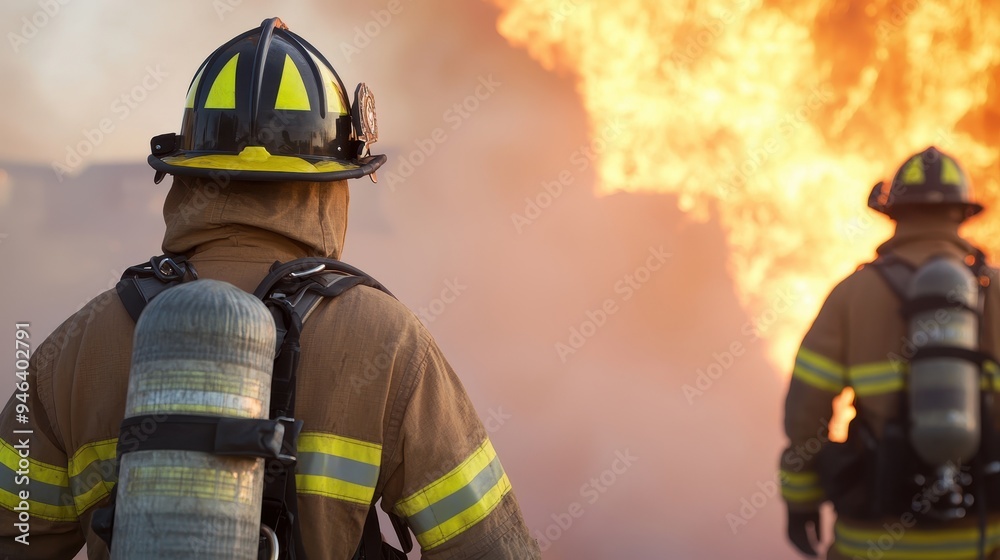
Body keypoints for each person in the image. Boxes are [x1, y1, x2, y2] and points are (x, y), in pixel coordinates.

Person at [0, 17, 540, 559]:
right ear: (331, 187)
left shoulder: (76, 347)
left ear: (186, 172)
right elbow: (491, 549)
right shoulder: (390, 343)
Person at [780, 145, 1000, 559]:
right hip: (984, 538)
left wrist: (801, 500)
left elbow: (806, 413)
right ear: (962, 213)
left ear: (893, 213)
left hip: (874, 543)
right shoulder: (997, 290)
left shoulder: (852, 295)